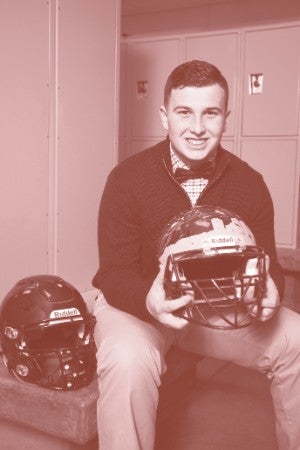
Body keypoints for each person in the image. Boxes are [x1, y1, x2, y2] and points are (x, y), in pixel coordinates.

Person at [92, 60, 300, 450]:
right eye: (184, 112)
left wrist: (271, 291)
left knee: (298, 340)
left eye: (211, 113)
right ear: (164, 116)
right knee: (127, 362)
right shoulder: (126, 179)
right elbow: (114, 272)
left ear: (226, 117)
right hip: (136, 307)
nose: (198, 127)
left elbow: (267, 262)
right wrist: (149, 301)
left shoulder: (250, 183)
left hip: (213, 307)